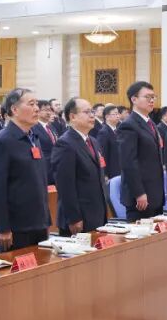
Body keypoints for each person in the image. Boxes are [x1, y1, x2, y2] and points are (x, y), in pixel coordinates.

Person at [0, 88, 50, 250]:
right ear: (14, 109)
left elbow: (40, 181)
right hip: (18, 227)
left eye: (37, 104)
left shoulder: (34, 137)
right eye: (31, 104)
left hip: (39, 222)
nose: (37, 108)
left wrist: (46, 220)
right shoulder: (3, 141)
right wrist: (3, 228)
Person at [51, 97, 110, 234]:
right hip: (79, 217)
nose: (92, 116)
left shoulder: (93, 141)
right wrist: (74, 217)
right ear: (73, 117)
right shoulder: (65, 144)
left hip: (97, 213)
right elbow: (65, 186)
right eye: (87, 112)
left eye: (92, 112)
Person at [117, 81, 165, 221]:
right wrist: (139, 193)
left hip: (155, 193)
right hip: (140, 197)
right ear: (134, 99)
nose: (152, 100)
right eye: (147, 97)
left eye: (153, 97)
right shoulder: (128, 125)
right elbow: (128, 162)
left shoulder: (151, 123)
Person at [31, 100, 58, 184]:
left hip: (55, 167)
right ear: (38, 111)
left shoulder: (51, 127)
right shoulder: (33, 127)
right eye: (45, 110)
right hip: (43, 168)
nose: (48, 112)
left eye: (50, 110)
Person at [95, 104, 124, 179]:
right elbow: (102, 155)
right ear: (107, 117)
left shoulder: (118, 130)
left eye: (118, 114)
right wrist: (104, 174)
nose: (118, 116)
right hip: (112, 172)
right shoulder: (104, 132)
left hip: (120, 170)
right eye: (115, 114)